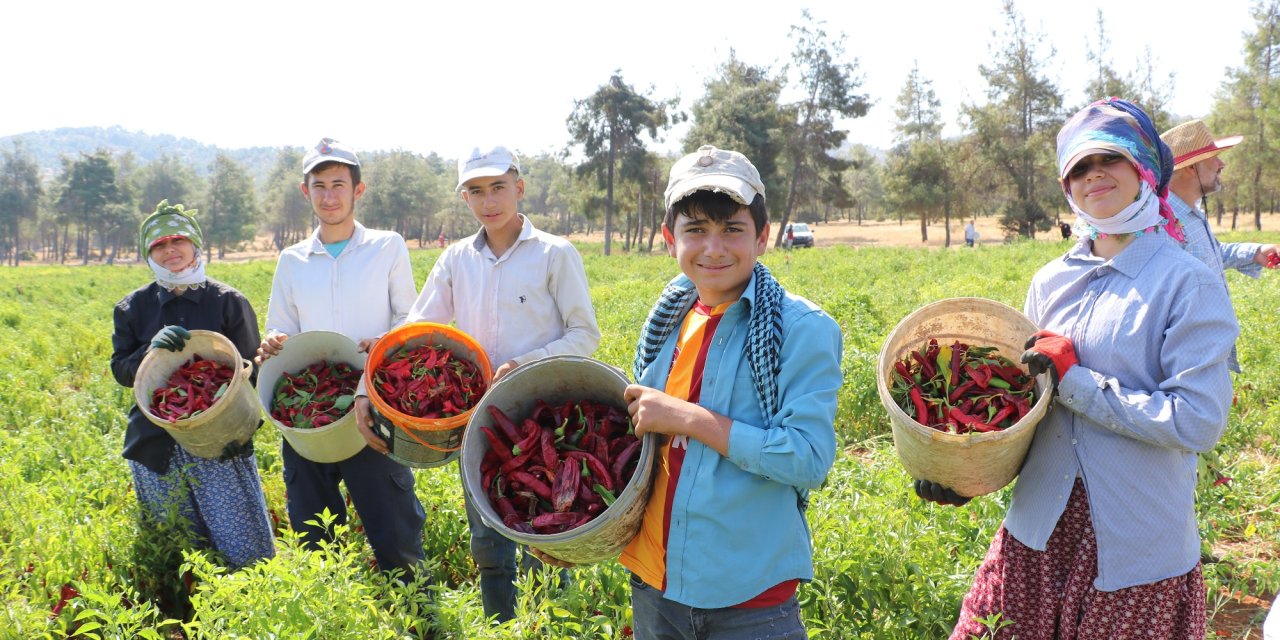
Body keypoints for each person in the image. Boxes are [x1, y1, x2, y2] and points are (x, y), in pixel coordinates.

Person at [916, 99, 1238, 640]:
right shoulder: (1051, 282)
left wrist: (1078, 382)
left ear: (1142, 168)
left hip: (1135, 551)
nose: (1093, 177)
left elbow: (1198, 420)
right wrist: (972, 472)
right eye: (1078, 168)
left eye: (1108, 161)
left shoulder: (1186, 282)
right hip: (1037, 535)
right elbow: (1030, 406)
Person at [612, 145, 842, 638]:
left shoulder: (801, 328)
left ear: (762, 237)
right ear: (669, 238)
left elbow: (808, 457)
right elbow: (637, 443)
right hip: (653, 582)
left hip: (749, 598)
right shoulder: (667, 319)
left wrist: (688, 418)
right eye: (695, 229)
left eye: (732, 229)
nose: (713, 248)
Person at [392, 144, 600, 622]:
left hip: (543, 421)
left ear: (519, 188)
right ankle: (500, 625)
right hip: (480, 421)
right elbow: (421, 330)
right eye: (477, 191)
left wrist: (525, 363)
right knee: (488, 534)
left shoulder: (553, 254)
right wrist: (376, 364)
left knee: (545, 528)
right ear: (465, 198)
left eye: (498, 188)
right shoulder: (455, 260)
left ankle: (548, 626)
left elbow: (584, 334)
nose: (489, 201)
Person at [256, 138, 427, 578]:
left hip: (371, 401)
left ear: (358, 190)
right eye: (319, 186)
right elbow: (281, 325)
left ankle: (419, 621)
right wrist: (274, 340)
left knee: (395, 535)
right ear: (305, 192)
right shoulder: (292, 260)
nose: (329, 196)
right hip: (308, 416)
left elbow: (409, 318)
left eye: (338, 184)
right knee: (315, 543)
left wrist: (385, 341)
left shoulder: (386, 247)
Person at [110, 200, 275, 569]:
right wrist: (148, 354)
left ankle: (245, 606)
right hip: (157, 438)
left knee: (242, 543)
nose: (170, 251)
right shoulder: (132, 309)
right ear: (148, 254)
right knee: (176, 544)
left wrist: (238, 416)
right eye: (158, 246)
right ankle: (184, 614)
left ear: (195, 245)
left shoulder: (228, 302)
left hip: (219, 435)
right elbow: (120, 369)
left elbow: (253, 366)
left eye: (177, 241)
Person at [1160, 119, 1279, 373]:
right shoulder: (1162, 223)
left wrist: (1256, 253)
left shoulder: (1189, 212)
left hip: (1209, 353)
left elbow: (1210, 252)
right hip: (1190, 362)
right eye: (1213, 157)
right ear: (1191, 167)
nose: (1221, 163)